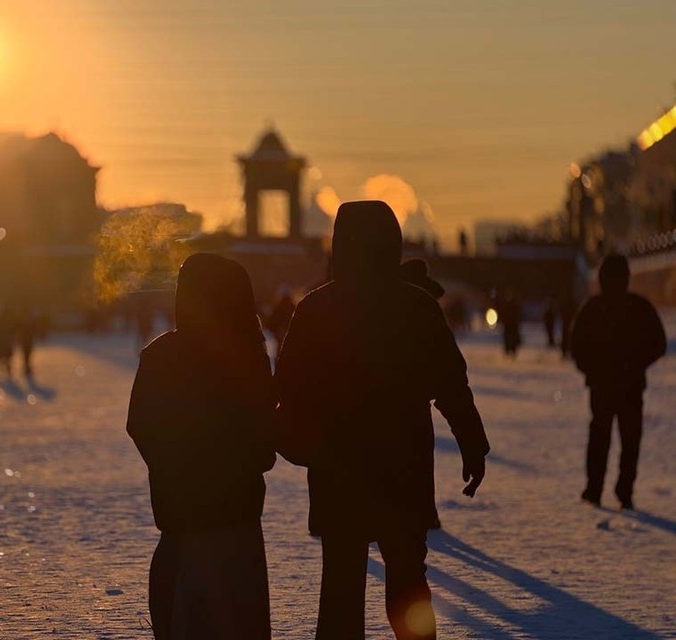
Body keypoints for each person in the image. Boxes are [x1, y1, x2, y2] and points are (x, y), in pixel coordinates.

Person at [275, 201, 489, 640]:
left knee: (341, 588)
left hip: (338, 471)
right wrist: (472, 442)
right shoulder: (417, 307)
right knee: (409, 583)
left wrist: (292, 441)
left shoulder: (315, 310)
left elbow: (287, 389)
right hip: (403, 468)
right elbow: (451, 383)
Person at [128, 253, 275, 640]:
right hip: (236, 519)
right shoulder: (248, 355)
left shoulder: (160, 356)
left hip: (180, 518)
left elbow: (140, 425)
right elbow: (262, 435)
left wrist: (172, 467)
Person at [571, 254, 666, 510]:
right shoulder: (638, 307)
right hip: (629, 386)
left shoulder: (593, 308)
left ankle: (595, 490)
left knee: (601, 439)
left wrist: (593, 370)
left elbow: (576, 346)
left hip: (606, 387)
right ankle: (623, 492)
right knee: (628, 441)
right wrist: (634, 365)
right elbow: (659, 344)